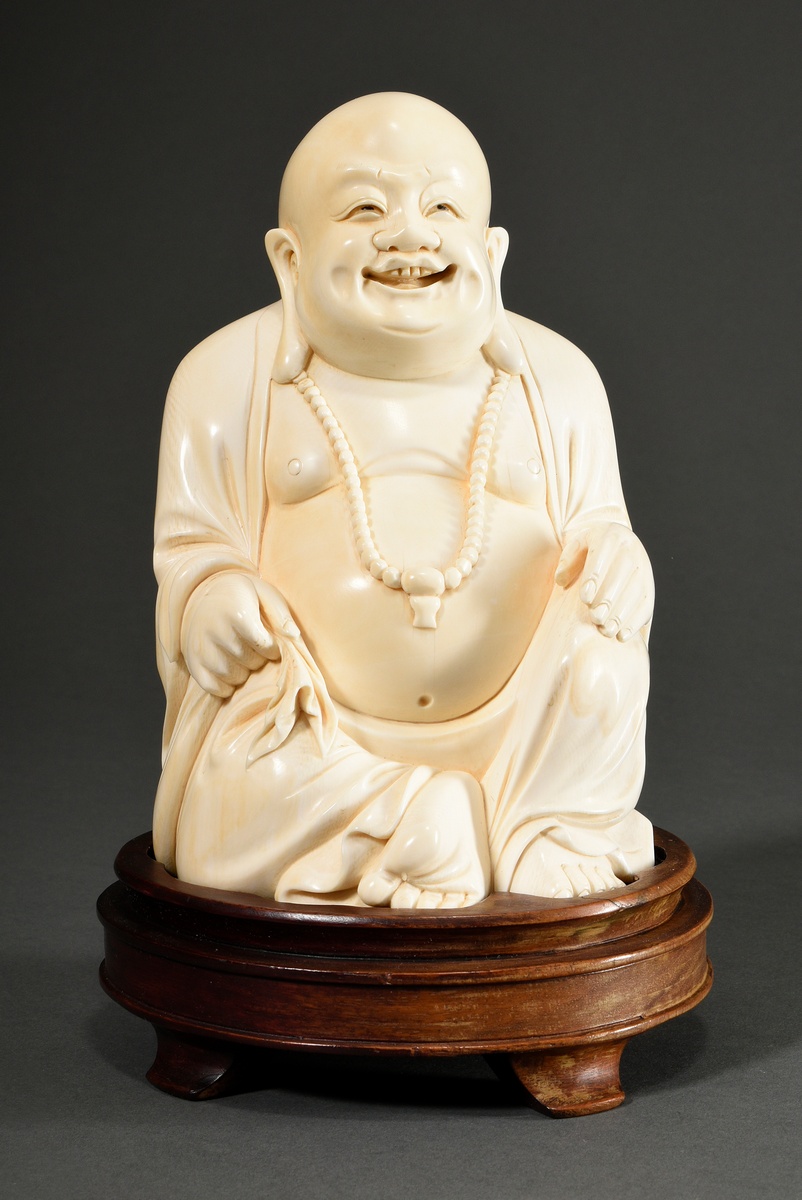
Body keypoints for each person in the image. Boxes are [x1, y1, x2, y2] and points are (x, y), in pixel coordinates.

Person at [152, 92, 655, 909]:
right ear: (289, 258)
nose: (410, 235)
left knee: (603, 662)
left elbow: (601, 522)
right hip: (317, 732)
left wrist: (622, 561)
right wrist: (207, 595)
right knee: (226, 820)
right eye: (364, 208)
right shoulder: (222, 377)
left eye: (442, 207)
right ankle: (412, 816)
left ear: (491, 252)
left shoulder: (560, 378)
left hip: (521, 733)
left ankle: (547, 826)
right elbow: (191, 547)